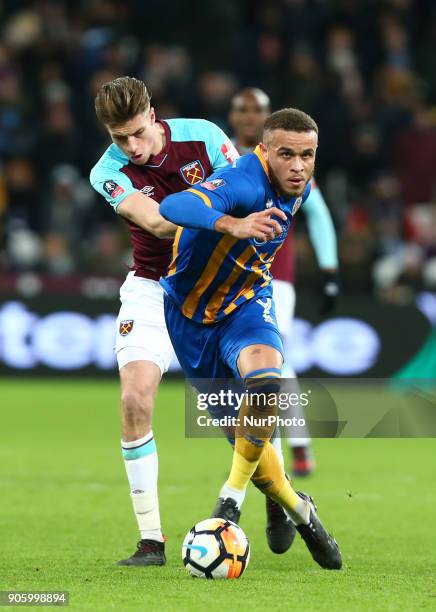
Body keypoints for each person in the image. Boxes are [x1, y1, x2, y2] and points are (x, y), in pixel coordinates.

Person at [159, 108, 342, 570]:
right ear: (264, 151)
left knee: (266, 382)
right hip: (191, 318)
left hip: (248, 302)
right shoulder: (243, 181)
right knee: (248, 443)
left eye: (307, 155)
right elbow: (173, 207)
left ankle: (230, 498)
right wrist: (233, 224)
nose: (298, 166)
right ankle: (299, 508)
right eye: (287, 155)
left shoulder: (297, 185)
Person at [89, 76, 240, 567]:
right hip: (152, 288)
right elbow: (153, 221)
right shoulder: (106, 171)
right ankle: (150, 541)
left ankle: (281, 500)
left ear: (153, 114)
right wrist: (224, 220)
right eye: (119, 138)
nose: (131, 148)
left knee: (233, 419)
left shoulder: (204, 136)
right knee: (134, 399)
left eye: (136, 132)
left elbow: (246, 191)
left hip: (214, 289)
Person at [228, 87, 339, 477]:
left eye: (258, 108)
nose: (249, 115)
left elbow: (319, 212)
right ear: (233, 115)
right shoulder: (220, 155)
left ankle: (292, 446)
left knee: (272, 361)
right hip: (224, 278)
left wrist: (329, 270)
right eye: (243, 109)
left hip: (275, 277)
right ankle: (279, 450)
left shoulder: (290, 163)